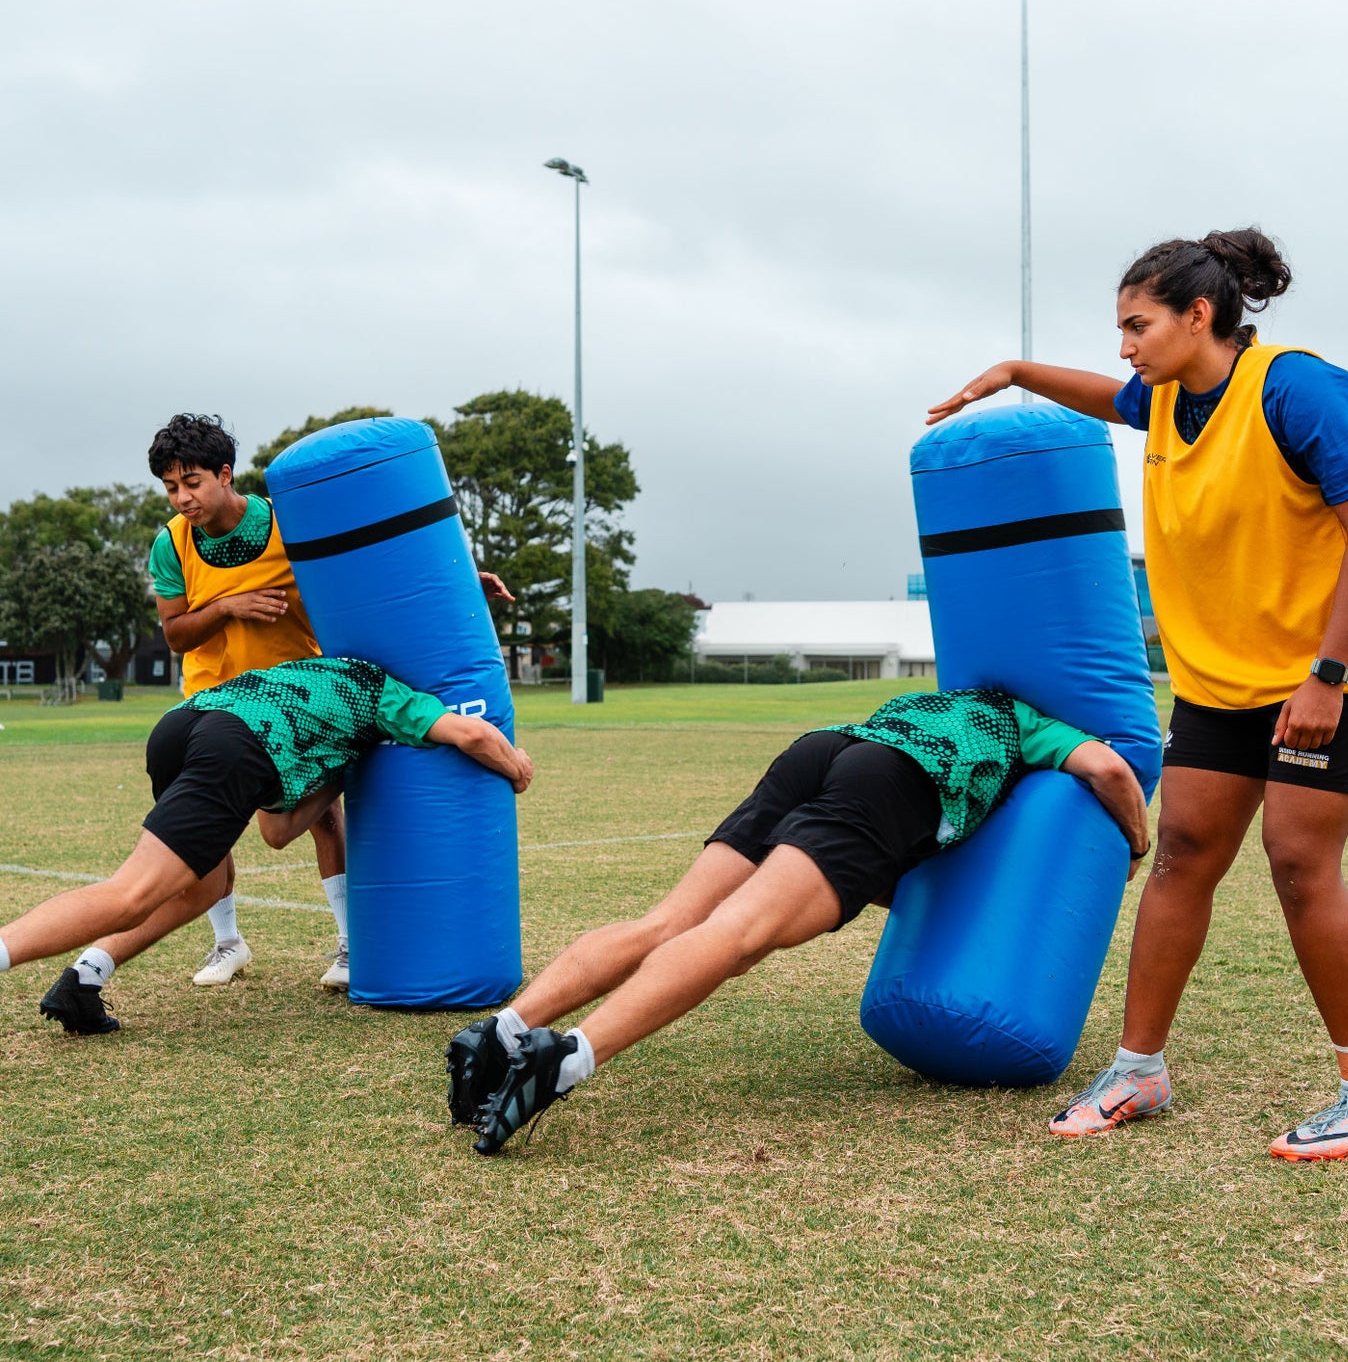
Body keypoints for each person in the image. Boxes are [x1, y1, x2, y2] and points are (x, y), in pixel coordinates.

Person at [929, 228, 1348, 1161]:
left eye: (1135, 324)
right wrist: (1013, 372)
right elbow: (1105, 396)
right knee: (1183, 851)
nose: (1124, 347)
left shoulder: (1292, 386)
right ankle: (1138, 1069)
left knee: (1295, 860)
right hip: (1221, 678)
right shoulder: (1164, 401)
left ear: (1199, 316)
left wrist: (1327, 674)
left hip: (1335, 673)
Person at [445, 687, 1149, 1155]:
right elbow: (1110, 771)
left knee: (670, 920)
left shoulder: (936, 698)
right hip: (890, 782)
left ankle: (500, 1029)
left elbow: (872, 871)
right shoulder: (1030, 722)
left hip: (823, 748)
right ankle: (565, 1060)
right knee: (734, 936)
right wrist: (1133, 847)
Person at [147, 414, 515, 991]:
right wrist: (227, 607)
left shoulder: (286, 523)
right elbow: (174, 634)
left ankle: (348, 944)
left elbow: (365, 571)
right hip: (214, 699)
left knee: (316, 821)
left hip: (298, 695)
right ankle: (228, 943)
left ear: (224, 474)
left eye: (191, 482)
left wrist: (463, 580)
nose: (182, 497)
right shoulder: (170, 544)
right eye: (171, 487)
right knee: (206, 828)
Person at [0, 657, 532, 1035]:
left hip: (182, 724)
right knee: (131, 893)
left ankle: (83, 979)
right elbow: (473, 735)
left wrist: (344, 771)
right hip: (234, 748)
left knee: (203, 887)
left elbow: (277, 833)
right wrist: (519, 769)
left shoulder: (325, 669)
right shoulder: (389, 696)